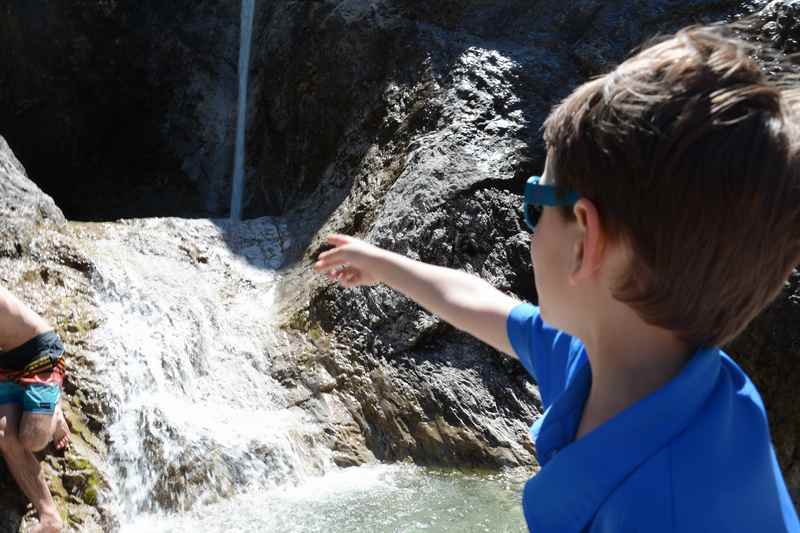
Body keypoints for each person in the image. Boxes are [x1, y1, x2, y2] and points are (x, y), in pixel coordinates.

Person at [314, 24, 800, 532]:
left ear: (584, 238)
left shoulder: (663, 511)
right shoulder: (628, 366)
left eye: (534, 202)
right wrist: (382, 263)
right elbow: (477, 302)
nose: (529, 223)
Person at [0, 286, 70, 533]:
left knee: (31, 439)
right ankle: (49, 515)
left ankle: (56, 411)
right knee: (4, 436)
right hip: (4, 366)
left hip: (39, 353)